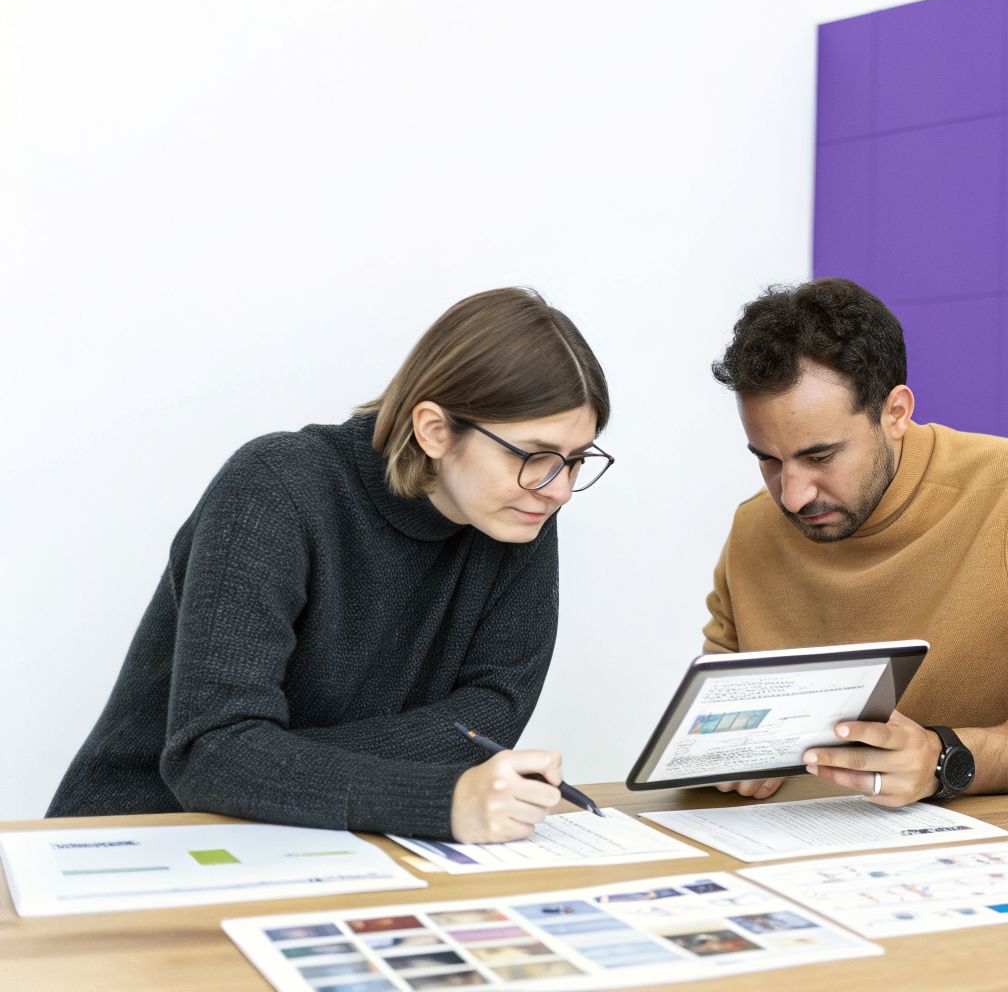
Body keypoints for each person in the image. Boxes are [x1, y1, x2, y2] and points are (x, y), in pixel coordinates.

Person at [48, 288, 612, 843]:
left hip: (334, 843)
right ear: (435, 430)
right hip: (143, 840)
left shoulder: (519, 509)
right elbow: (210, 753)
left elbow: (491, 715)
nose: (559, 487)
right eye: (534, 455)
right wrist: (438, 798)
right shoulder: (275, 487)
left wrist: (271, 760)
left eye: (575, 459)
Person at [702, 278, 1008, 806]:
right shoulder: (755, 527)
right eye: (769, 460)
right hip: (794, 846)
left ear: (896, 413)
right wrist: (720, 753)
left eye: (820, 457)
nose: (794, 495)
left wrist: (946, 759)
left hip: (987, 849)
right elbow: (715, 712)